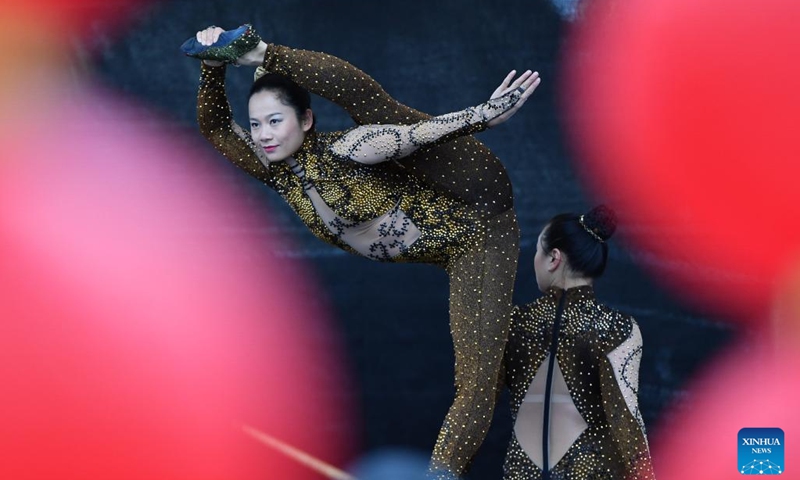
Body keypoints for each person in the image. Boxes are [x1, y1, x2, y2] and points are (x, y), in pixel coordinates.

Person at [181, 24, 541, 479]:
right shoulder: (276, 169)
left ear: (306, 121)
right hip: (442, 234)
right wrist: (212, 69)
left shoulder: (350, 149)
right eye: (256, 125)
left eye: (275, 121)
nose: (264, 135)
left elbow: (417, 134)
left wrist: (483, 115)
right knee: (488, 368)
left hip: (477, 210)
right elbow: (217, 128)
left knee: (477, 384)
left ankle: (262, 51)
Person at [502, 206, 656, 480]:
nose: (534, 259)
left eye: (538, 250)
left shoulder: (512, 323)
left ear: (554, 258)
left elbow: (474, 406)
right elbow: (626, 420)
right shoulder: (617, 329)